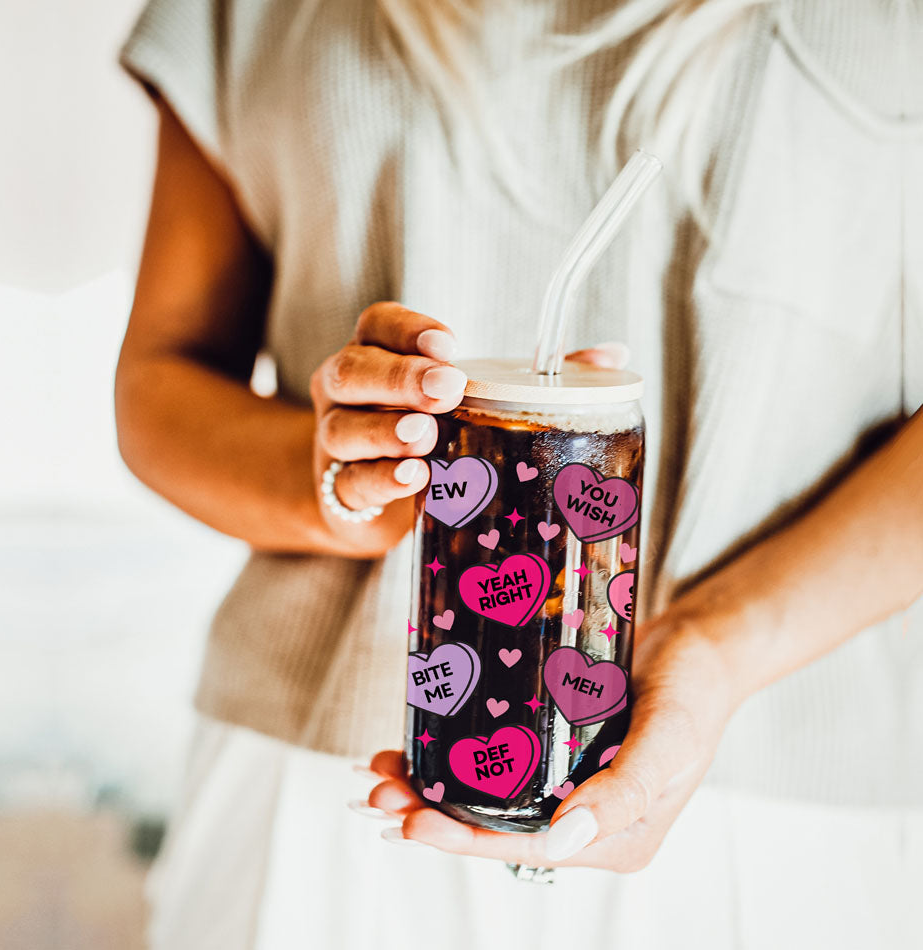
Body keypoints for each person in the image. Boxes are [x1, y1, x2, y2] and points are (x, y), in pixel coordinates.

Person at [115, 0, 922, 947]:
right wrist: (348, 482)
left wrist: (714, 643)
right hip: (318, 781)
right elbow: (161, 378)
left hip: (782, 808)